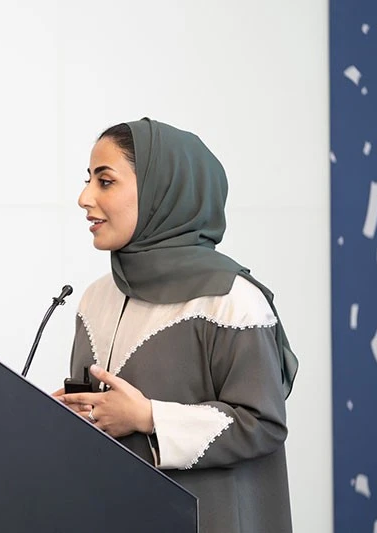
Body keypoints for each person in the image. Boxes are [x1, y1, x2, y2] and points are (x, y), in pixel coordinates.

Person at [54, 118, 299, 533]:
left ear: (159, 193)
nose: (84, 197)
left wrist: (148, 417)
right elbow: (101, 415)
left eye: (105, 181)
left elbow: (263, 425)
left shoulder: (230, 300)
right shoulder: (97, 297)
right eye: (88, 180)